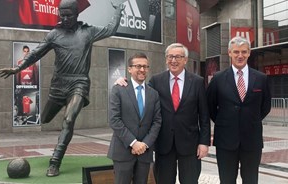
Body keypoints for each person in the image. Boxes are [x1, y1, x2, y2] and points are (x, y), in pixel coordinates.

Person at [0, 0, 125, 177]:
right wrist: (18, 68)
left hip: (79, 82)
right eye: (62, 15)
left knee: (69, 119)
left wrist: (118, 11)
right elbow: (36, 53)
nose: (65, 18)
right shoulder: (54, 35)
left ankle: (54, 162)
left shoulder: (88, 32)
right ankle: (49, 116)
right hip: (58, 85)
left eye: (69, 15)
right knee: (45, 118)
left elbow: (110, 29)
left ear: (77, 14)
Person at [115, 43, 211, 184]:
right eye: (170, 56)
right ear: (166, 59)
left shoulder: (197, 82)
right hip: (164, 145)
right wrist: (123, 81)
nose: (174, 60)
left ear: (185, 60)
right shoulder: (156, 80)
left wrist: (204, 142)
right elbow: (140, 91)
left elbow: (204, 115)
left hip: (190, 144)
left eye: (178, 57)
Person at [206, 36, 271, 184]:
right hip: (225, 141)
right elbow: (210, 106)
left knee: (251, 179)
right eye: (236, 52)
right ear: (229, 52)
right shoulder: (218, 78)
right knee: (227, 180)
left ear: (249, 53)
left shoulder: (261, 78)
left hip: (252, 140)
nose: (240, 56)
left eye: (243, 52)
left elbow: (265, 106)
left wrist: (250, 120)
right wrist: (225, 121)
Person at [108, 53, 161, 184]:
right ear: (129, 69)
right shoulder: (118, 90)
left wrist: (145, 144)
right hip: (123, 151)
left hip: (145, 152)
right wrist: (133, 143)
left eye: (145, 66)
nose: (142, 70)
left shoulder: (153, 94)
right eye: (138, 66)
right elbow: (114, 119)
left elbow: (157, 121)